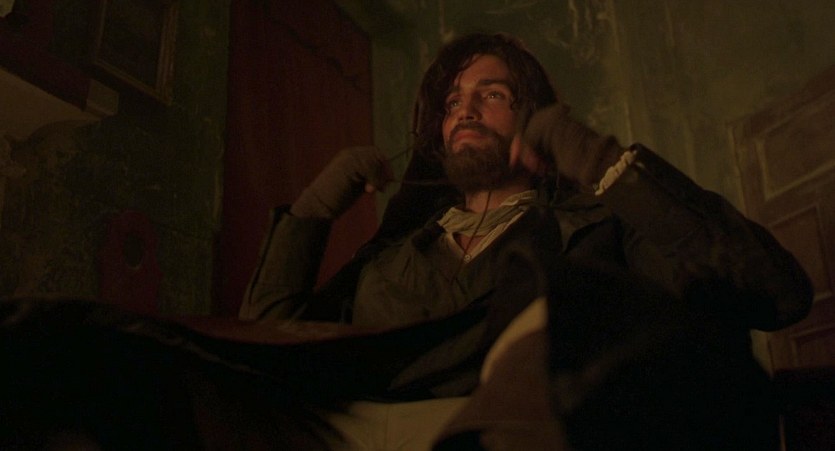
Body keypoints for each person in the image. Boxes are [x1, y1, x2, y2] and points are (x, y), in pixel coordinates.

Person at [238, 32, 813, 449]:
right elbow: (260, 350)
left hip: (522, 426)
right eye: (452, 102)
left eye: (491, 94)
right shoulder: (391, 258)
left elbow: (776, 292)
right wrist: (314, 210)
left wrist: (597, 158)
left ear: (530, 115)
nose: (464, 110)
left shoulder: (593, 230)